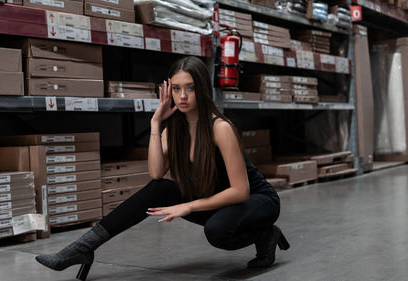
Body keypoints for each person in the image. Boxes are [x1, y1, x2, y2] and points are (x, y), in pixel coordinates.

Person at [35, 56, 289, 280]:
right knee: (158, 188)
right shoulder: (173, 129)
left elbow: (240, 191)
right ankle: (83, 247)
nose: (183, 96)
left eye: (190, 88)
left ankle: (266, 235)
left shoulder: (219, 127)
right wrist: (155, 123)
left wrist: (188, 206)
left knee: (218, 232)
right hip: (216, 200)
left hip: (256, 201)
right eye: (176, 89)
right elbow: (156, 173)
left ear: (202, 89)